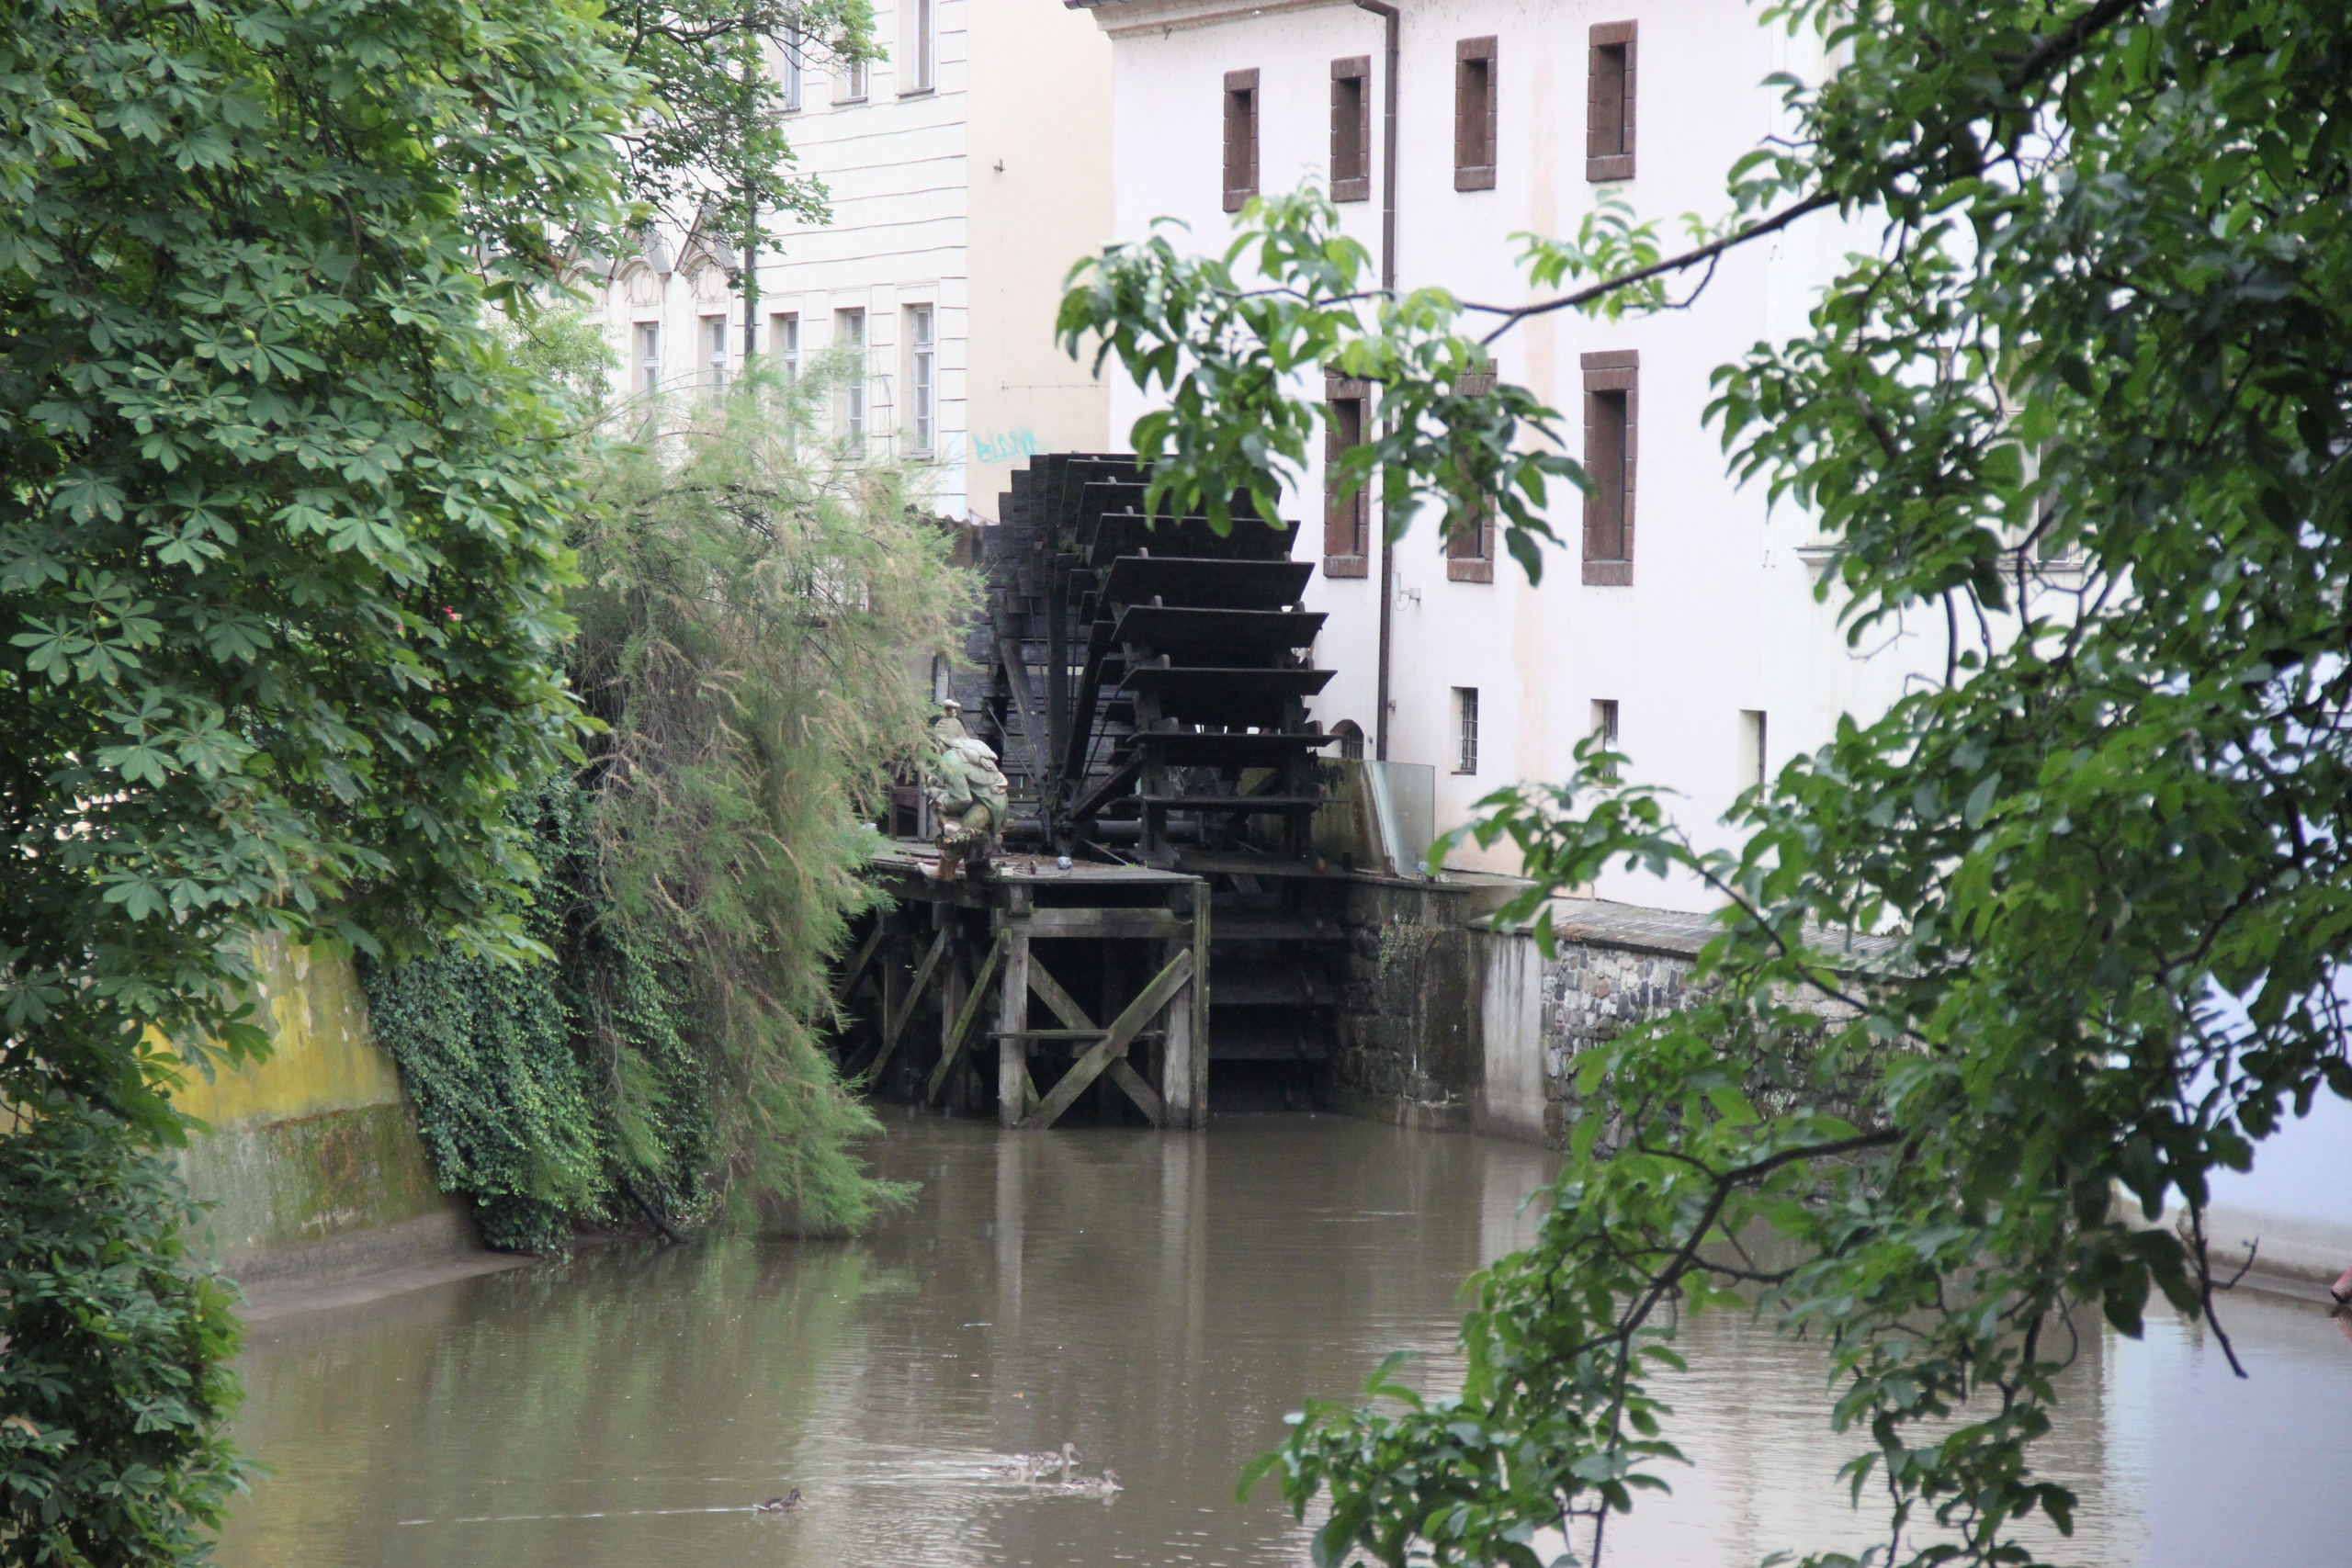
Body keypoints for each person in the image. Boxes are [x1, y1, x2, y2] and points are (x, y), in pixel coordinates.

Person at [925, 711, 1008, 882]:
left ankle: (944, 873)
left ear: (941, 741)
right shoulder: (975, 746)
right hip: (997, 803)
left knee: (955, 833)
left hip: (985, 808)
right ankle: (969, 869)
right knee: (959, 828)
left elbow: (962, 799)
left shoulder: (950, 759)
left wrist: (940, 798)